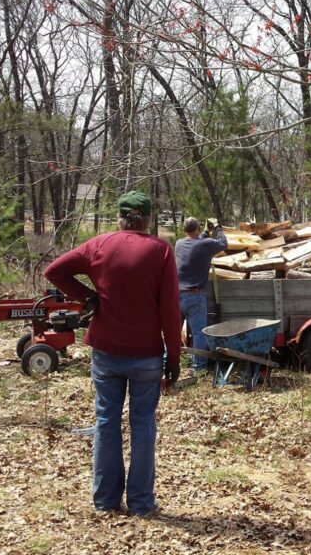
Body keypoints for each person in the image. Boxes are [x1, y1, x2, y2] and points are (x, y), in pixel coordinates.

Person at [43, 191, 180, 516]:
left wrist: (87, 296)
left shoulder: (99, 245)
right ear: (147, 219)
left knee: (106, 421)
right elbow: (170, 312)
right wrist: (173, 357)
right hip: (146, 354)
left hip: (106, 350)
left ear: (120, 218)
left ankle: (105, 501)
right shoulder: (160, 251)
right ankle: (141, 503)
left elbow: (54, 271)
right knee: (143, 424)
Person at [175, 217, 227, 373]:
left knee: (173, 331)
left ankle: (167, 363)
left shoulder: (179, 244)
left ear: (185, 230)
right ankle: (199, 368)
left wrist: (205, 231)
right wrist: (217, 227)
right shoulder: (206, 245)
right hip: (195, 296)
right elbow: (224, 243)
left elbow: (196, 243)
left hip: (177, 296)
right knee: (199, 333)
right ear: (196, 228)